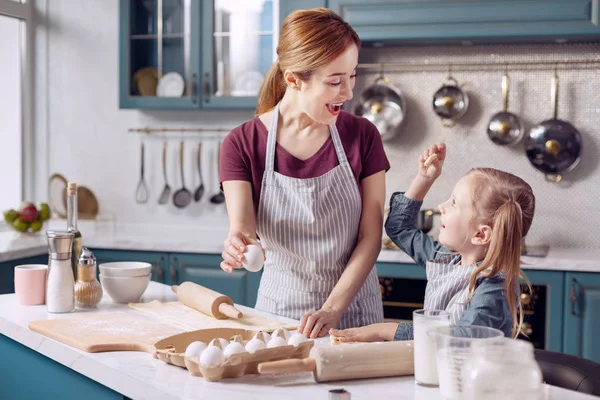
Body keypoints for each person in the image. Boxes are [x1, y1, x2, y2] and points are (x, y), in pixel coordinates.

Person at [219, 8, 390, 338]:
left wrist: (332, 309)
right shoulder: (242, 143)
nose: (349, 92)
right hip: (280, 316)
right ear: (294, 79)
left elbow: (371, 237)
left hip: (356, 313)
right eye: (335, 81)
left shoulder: (363, 136)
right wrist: (237, 246)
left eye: (352, 76)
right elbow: (243, 230)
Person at [330, 143, 536, 342]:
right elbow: (398, 228)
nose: (441, 206)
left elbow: (458, 341)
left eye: (454, 203)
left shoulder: (493, 289)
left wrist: (386, 329)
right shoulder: (447, 258)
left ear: (480, 235)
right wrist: (424, 179)